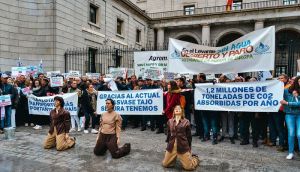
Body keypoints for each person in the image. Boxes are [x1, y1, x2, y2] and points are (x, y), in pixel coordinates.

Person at [162, 105, 200, 170]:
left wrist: (189, 148)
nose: (177, 109)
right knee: (165, 164)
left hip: (183, 146)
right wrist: (168, 146)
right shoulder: (170, 121)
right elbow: (168, 134)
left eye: (179, 108)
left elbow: (189, 137)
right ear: (174, 111)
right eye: (175, 108)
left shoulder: (186, 122)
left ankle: (195, 158)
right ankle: (173, 159)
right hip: (172, 146)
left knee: (189, 167)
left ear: (182, 111)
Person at [280, 76, 300, 159]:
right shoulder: (286, 91)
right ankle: (291, 152)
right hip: (289, 115)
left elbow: (298, 104)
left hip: (299, 115)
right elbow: (277, 96)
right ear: (296, 81)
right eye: (299, 81)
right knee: (291, 133)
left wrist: (289, 102)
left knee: (299, 134)